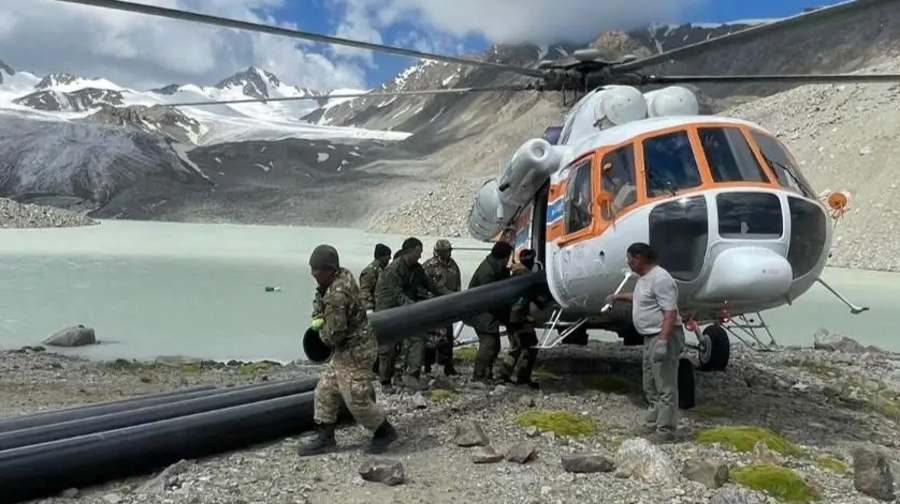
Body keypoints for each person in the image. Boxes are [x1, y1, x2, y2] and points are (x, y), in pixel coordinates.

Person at [297, 244, 398, 456]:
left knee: (355, 397)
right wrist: (318, 315)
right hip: (347, 350)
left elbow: (335, 334)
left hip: (357, 351)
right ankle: (325, 437)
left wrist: (320, 332)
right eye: (312, 268)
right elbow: (320, 299)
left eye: (317, 269)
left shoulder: (338, 295)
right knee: (325, 389)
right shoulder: (337, 278)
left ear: (329, 269)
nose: (313, 273)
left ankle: (384, 431)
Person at [607, 242, 685, 443]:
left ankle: (666, 430)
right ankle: (653, 422)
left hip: (662, 335)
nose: (628, 262)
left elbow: (669, 312)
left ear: (639, 258)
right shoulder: (644, 279)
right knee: (650, 382)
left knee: (665, 384)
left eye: (630, 258)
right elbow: (640, 297)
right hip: (650, 336)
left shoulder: (661, 279)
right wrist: (617, 297)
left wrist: (663, 342)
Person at [374, 237, 453, 391]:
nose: (420, 256)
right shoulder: (394, 270)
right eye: (418, 252)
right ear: (409, 251)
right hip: (388, 312)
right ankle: (385, 381)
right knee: (390, 348)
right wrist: (414, 308)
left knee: (417, 339)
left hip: (405, 311)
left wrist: (450, 295)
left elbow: (431, 285)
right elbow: (397, 294)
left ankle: (412, 376)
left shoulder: (416, 269)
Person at [464, 241, 514, 383]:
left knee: (494, 344)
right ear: (503, 257)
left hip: (484, 311)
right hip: (479, 312)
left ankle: (487, 374)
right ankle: (479, 376)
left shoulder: (494, 267)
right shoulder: (488, 273)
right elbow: (490, 299)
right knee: (489, 343)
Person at [497, 248, 541, 388]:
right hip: (518, 318)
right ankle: (519, 376)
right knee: (528, 347)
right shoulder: (527, 277)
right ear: (530, 261)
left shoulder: (514, 275)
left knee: (517, 347)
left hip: (513, 318)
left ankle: (507, 374)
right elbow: (536, 297)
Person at [421, 239, 462, 376]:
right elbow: (422, 286)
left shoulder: (453, 265)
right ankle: (427, 365)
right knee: (430, 339)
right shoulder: (428, 266)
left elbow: (458, 283)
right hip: (432, 306)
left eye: (449, 251)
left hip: (448, 306)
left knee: (447, 338)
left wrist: (457, 297)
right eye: (445, 251)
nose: (448, 253)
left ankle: (448, 366)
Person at [359, 244, 392, 312]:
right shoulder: (370, 271)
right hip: (373, 307)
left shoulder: (383, 269)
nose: (390, 258)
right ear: (381, 256)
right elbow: (365, 292)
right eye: (388, 255)